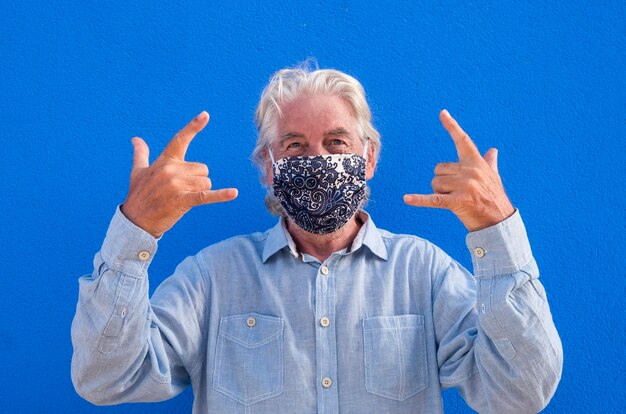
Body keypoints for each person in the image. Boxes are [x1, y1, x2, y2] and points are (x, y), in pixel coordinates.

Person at [71, 65, 562, 413]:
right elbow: (106, 380)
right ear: (268, 165)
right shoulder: (212, 276)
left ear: (368, 159)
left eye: (337, 143)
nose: (318, 160)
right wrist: (136, 230)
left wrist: (496, 232)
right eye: (295, 146)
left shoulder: (424, 272)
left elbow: (521, 394)